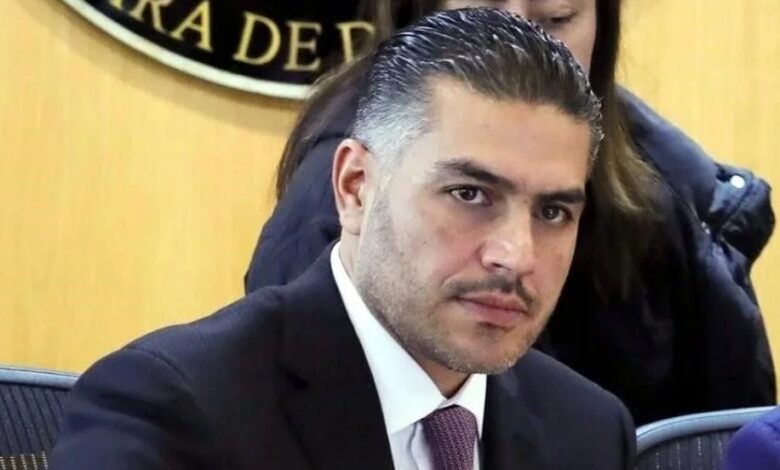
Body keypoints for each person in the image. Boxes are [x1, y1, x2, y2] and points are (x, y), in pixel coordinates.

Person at [51, 9, 635, 469]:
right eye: (469, 194)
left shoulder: (588, 431)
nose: (515, 255)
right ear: (355, 187)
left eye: (553, 212)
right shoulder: (174, 408)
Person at [246, 0, 776, 425]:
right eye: (469, 195)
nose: (516, 255)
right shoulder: (324, 222)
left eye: (557, 19)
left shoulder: (671, 195)